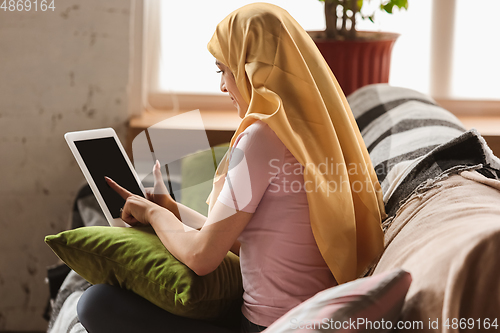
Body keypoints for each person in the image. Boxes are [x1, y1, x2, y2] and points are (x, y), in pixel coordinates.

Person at [77, 3, 386, 333]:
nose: (223, 87)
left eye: (224, 70)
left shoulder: (263, 136)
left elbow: (202, 257)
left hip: (268, 326)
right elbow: (236, 240)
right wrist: (173, 209)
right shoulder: (307, 134)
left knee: (96, 304)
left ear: (253, 69)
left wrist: (155, 216)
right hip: (298, 318)